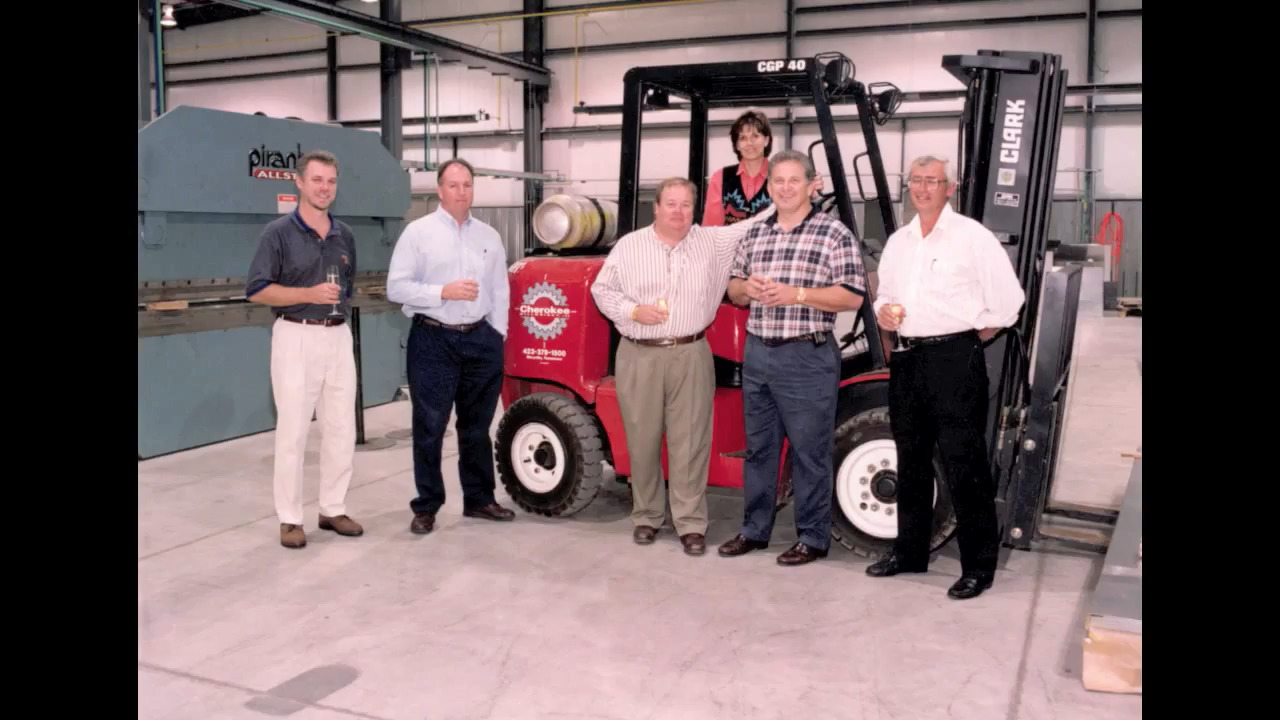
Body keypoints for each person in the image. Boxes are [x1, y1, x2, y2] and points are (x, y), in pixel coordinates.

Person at [865, 154, 1025, 600]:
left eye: (932, 181)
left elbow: (1010, 301)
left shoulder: (972, 238)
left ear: (949, 188)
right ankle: (910, 551)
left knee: (963, 462)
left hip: (955, 357)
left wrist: (972, 336)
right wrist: (886, 312)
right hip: (908, 359)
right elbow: (886, 297)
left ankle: (979, 566)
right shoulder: (900, 241)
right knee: (911, 459)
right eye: (915, 180)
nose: (922, 188)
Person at [591, 178, 776, 556]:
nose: (678, 212)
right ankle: (646, 516)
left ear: (694, 210)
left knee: (690, 442)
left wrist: (797, 192)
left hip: (691, 352)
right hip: (639, 353)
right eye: (671, 204)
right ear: (656, 208)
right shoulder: (630, 246)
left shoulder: (712, 242)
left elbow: (755, 224)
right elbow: (602, 289)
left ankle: (690, 522)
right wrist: (632, 311)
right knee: (642, 441)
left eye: (686, 205)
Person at [718, 150, 866, 566]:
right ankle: (754, 529)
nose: (784, 188)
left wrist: (796, 294)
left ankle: (813, 537)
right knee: (760, 449)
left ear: (809, 184)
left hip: (806, 356)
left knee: (808, 452)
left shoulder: (832, 233)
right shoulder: (756, 234)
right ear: (769, 187)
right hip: (759, 353)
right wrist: (749, 289)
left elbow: (852, 294)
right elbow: (732, 288)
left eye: (793, 181)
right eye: (777, 181)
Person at [386, 158, 515, 535]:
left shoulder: (489, 236)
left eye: (467, 185)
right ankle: (427, 505)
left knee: (477, 427)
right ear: (439, 190)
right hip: (433, 338)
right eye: (454, 185)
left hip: (481, 338)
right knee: (429, 425)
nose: (461, 192)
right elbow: (397, 287)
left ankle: (479, 499)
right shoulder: (417, 233)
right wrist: (442, 291)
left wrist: (498, 332)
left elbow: (500, 289)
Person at [246, 150, 364, 549]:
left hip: (337, 335)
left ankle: (332, 507)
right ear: (298, 182)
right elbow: (258, 289)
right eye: (317, 180)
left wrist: (330, 305)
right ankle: (290, 518)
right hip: (295, 336)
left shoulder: (344, 234)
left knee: (340, 426)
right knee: (293, 430)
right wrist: (307, 293)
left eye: (330, 181)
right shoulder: (277, 233)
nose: (324, 188)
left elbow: (349, 285)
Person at [701, 110, 773, 226]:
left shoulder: (779, 176)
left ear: (766, 140)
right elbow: (711, 227)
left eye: (755, 136)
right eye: (743, 138)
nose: (749, 143)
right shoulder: (720, 178)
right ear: (737, 145)